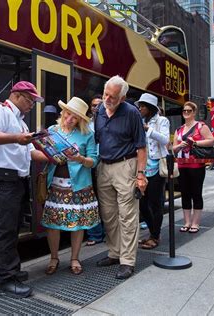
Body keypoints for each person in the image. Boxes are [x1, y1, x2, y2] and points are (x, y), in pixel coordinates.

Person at [0, 81, 48, 299]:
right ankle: (6, 281)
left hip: (16, 182)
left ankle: (10, 271)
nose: (31, 105)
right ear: (17, 95)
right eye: (30, 100)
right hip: (1, 181)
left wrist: (55, 157)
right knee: (5, 230)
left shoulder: (21, 124)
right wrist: (16, 138)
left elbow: (31, 153)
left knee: (13, 229)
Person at [94, 75, 147, 280]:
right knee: (108, 215)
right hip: (104, 166)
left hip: (126, 165)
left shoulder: (131, 113)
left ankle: (127, 261)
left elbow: (141, 147)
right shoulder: (99, 111)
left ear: (123, 98)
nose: (107, 98)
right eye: (106, 94)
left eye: (113, 97)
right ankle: (114, 253)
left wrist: (140, 175)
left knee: (127, 216)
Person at [41, 97, 100, 275]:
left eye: (74, 117)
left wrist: (79, 159)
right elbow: (44, 152)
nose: (69, 119)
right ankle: (54, 258)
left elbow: (94, 161)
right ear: (62, 112)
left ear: (80, 120)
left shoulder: (87, 134)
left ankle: (75, 258)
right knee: (53, 224)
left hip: (79, 186)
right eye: (67, 114)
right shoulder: (52, 130)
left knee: (77, 224)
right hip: (55, 184)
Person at [172, 101, 214, 234]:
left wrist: (194, 142)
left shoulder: (200, 126)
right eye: (184, 111)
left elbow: (211, 140)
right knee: (185, 194)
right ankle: (187, 222)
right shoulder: (178, 129)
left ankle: (195, 223)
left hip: (196, 165)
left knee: (196, 193)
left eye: (189, 111)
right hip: (182, 164)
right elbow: (173, 148)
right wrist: (179, 146)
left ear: (194, 112)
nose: (186, 113)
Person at [135, 93, 170, 249]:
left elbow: (165, 140)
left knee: (155, 203)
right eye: (139, 106)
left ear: (150, 108)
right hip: (142, 167)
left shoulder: (162, 120)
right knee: (142, 204)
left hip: (157, 167)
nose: (140, 108)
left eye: (142, 106)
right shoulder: (139, 121)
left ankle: (155, 237)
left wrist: (148, 129)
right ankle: (152, 232)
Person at [85, 94, 105, 246]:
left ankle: (107, 232)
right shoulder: (86, 123)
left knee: (106, 200)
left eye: (99, 104)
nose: (96, 108)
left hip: (105, 163)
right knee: (92, 199)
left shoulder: (108, 120)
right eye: (93, 105)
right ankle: (95, 234)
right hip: (90, 165)